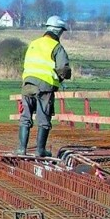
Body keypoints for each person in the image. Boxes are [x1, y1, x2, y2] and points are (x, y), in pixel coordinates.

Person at [16, 15, 71, 157]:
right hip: (44, 86)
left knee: (25, 117)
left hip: (27, 84)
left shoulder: (33, 43)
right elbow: (63, 68)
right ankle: (40, 150)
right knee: (43, 118)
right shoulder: (56, 47)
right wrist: (64, 76)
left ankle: (21, 149)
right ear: (58, 31)